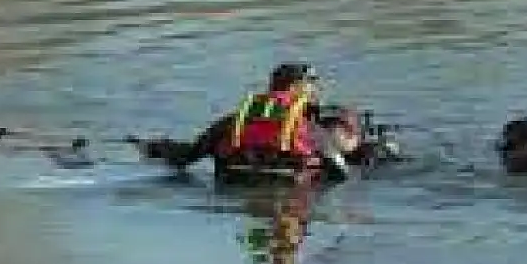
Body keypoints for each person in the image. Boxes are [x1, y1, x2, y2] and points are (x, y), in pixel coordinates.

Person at [139, 63, 397, 186]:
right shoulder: (309, 130)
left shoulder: (233, 122)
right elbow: (340, 173)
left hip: (233, 191)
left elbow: (187, 156)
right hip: (293, 200)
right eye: (311, 85)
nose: (315, 90)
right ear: (297, 90)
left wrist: (155, 147)